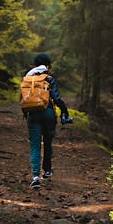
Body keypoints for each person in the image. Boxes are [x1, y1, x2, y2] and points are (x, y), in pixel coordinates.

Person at [22, 52, 71, 189]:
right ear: (47, 66)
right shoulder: (49, 79)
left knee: (35, 145)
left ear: (34, 65)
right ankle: (47, 170)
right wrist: (64, 111)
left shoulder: (27, 78)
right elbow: (56, 98)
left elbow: (23, 99)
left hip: (32, 114)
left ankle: (35, 176)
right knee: (47, 142)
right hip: (48, 112)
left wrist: (26, 114)